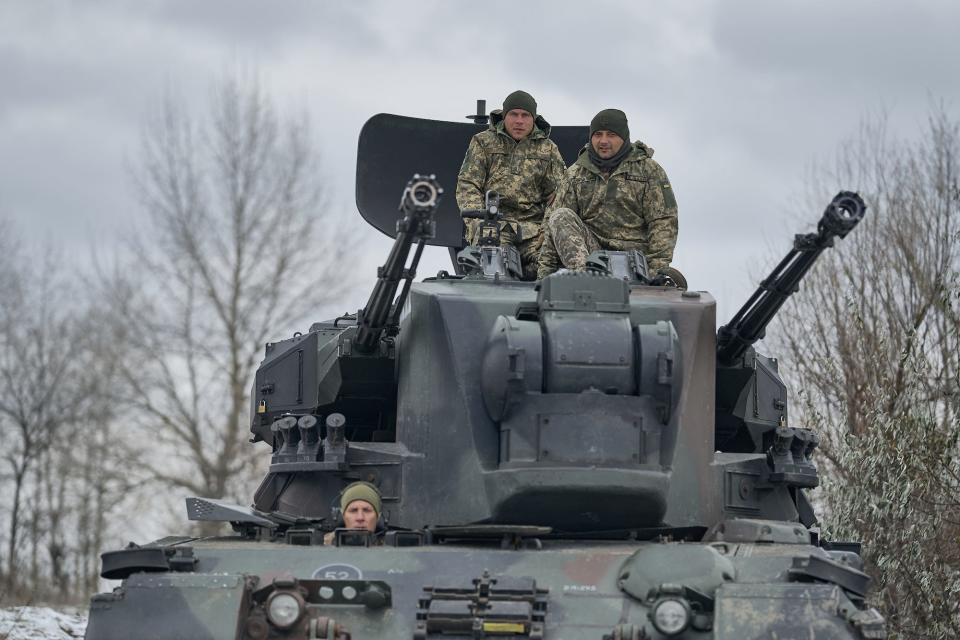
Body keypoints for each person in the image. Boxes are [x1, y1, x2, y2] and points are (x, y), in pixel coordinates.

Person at [537, 109, 678, 279]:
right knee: (560, 216)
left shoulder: (649, 171)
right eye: (598, 135)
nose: (603, 141)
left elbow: (663, 222)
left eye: (611, 135)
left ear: (624, 137)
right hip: (591, 258)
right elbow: (553, 229)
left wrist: (656, 272)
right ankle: (585, 280)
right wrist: (543, 277)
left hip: (635, 261)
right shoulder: (576, 173)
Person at [456, 90, 566, 280]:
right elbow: (468, 185)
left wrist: (547, 230)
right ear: (504, 116)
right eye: (513, 115)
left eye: (525, 116)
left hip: (533, 231)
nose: (519, 121)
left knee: (551, 270)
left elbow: (559, 195)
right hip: (493, 226)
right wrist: (477, 223)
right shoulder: (483, 143)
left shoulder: (548, 149)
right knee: (493, 269)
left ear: (533, 118)